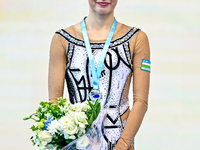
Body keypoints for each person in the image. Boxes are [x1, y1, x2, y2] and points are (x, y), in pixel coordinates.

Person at [48, 0, 151, 149]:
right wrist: (63, 140)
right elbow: (54, 101)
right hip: (77, 143)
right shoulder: (62, 39)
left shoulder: (136, 38)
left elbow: (141, 101)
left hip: (119, 141)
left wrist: (122, 144)